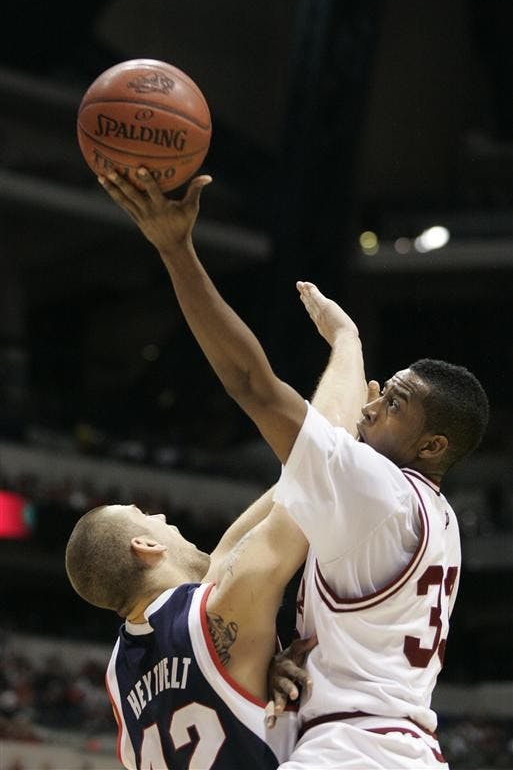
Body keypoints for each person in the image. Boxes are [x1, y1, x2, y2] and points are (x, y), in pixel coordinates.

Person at [97, 168, 490, 770]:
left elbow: (253, 385)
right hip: (388, 746)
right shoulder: (426, 512)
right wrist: (278, 661)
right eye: (380, 392)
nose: (370, 403)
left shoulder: (376, 489)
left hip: (354, 751)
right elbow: (282, 501)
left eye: (394, 404)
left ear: (432, 445)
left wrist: (177, 251)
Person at [65, 277, 367, 770]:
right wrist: (347, 340)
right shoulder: (223, 605)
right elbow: (325, 464)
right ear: (145, 545)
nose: (163, 518)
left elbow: (287, 489)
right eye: (149, 517)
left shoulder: (121, 680)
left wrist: (257, 665)